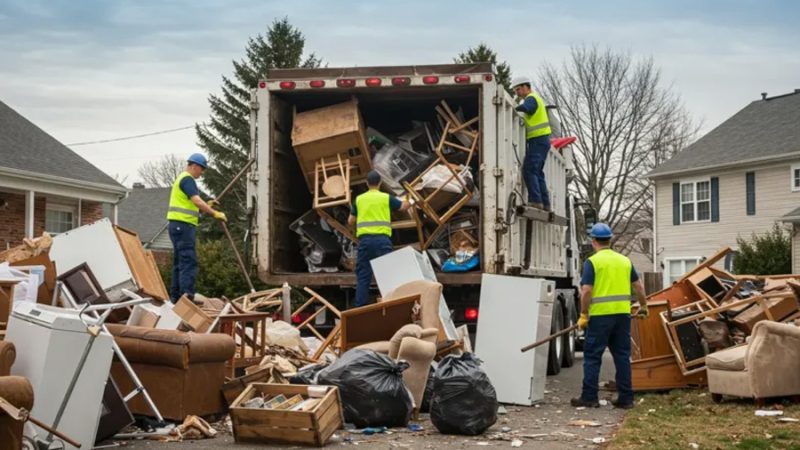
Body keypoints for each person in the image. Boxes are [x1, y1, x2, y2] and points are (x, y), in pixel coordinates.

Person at [571, 223, 649, 409]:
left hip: (599, 317)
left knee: (592, 357)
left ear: (593, 241)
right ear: (610, 239)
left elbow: (586, 291)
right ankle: (626, 399)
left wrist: (583, 314)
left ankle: (589, 397)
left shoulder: (592, 262)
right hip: (622, 316)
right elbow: (638, 286)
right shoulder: (624, 261)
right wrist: (644, 306)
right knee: (622, 356)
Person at [166, 153, 227, 303]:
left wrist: (208, 205)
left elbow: (193, 205)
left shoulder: (181, 179)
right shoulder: (187, 179)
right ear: (194, 166)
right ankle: (187, 295)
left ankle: (176, 297)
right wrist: (215, 213)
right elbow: (197, 201)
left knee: (179, 262)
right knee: (188, 260)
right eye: (202, 169)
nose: (202, 173)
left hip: (177, 226)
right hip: (184, 226)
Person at [348, 170, 410, 307]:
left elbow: (350, 221)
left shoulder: (359, 199)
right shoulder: (386, 198)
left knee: (363, 277)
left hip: (365, 242)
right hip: (382, 241)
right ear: (380, 183)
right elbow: (402, 207)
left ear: (366, 183)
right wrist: (409, 200)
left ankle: (360, 309)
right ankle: (389, 304)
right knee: (387, 275)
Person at [510, 76, 552, 211]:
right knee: (538, 172)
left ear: (524, 87)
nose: (517, 93)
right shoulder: (536, 98)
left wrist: (515, 108)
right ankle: (545, 203)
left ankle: (535, 201)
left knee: (529, 169)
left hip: (538, 140)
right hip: (541, 140)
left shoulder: (531, 98)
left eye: (517, 90)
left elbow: (528, 108)